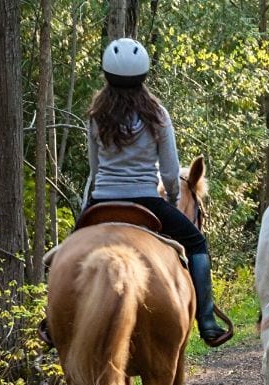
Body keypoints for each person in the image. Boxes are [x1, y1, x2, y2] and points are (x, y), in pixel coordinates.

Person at [83, 38, 230, 347]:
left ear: (107, 76)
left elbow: (94, 171)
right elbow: (169, 172)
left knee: (65, 255)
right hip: (146, 201)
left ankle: (53, 320)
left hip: (102, 200)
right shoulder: (158, 116)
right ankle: (206, 321)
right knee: (197, 244)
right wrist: (172, 198)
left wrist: (91, 202)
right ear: (144, 76)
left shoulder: (96, 115)